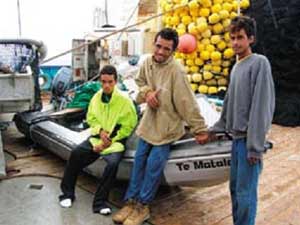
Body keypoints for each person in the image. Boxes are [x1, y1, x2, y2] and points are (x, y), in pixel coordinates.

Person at [112, 28, 210, 225]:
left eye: (166, 49)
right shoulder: (147, 62)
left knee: (153, 167)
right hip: (149, 123)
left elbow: (187, 103)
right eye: (158, 46)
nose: (161, 52)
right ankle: (130, 202)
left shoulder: (177, 71)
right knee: (139, 162)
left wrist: (199, 129)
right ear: (153, 45)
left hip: (167, 127)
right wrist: (147, 92)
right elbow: (138, 80)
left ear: (173, 51)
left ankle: (143, 207)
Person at [210, 16, 275, 225]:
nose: (235, 42)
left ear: (251, 39)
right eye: (232, 38)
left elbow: (261, 106)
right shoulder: (236, 67)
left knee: (246, 195)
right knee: (236, 190)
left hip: (249, 141)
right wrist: (214, 129)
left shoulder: (259, 63)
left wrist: (255, 146)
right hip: (236, 141)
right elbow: (228, 104)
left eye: (240, 37)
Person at [58, 65, 138, 215]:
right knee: (75, 154)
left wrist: (108, 141)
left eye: (110, 82)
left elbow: (128, 125)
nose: (106, 85)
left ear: (116, 81)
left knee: (112, 164)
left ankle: (100, 203)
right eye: (103, 82)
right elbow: (91, 119)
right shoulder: (96, 97)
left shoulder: (125, 101)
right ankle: (67, 194)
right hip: (97, 138)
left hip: (115, 142)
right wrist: (100, 131)